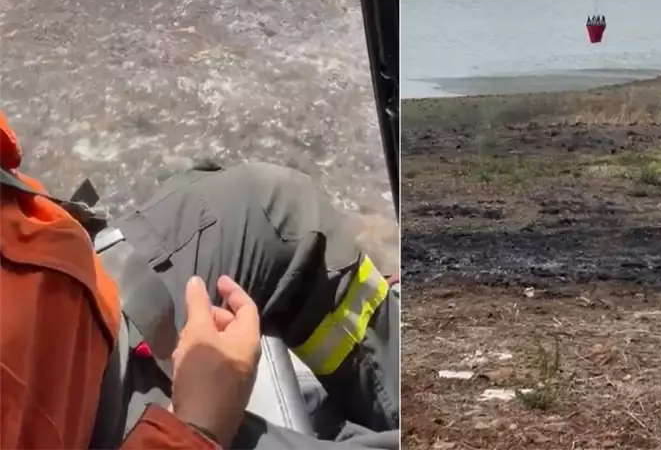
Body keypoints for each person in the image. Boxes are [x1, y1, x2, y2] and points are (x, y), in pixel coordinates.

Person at [0, 111, 399, 449]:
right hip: (93, 427)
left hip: (72, 295)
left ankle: (398, 398)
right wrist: (197, 426)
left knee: (279, 212)